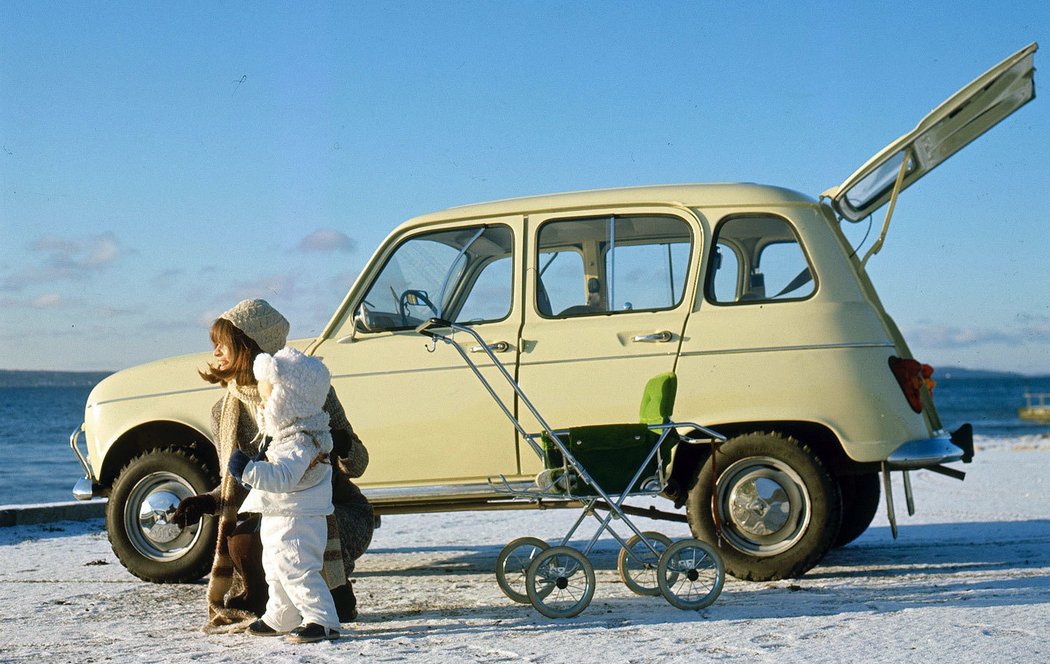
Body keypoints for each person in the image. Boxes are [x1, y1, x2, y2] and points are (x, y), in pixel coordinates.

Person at [172, 299, 373, 632]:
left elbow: (359, 464)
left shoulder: (311, 393)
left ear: (252, 347)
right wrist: (205, 501)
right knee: (249, 542)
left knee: (285, 553)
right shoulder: (225, 413)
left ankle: (332, 600)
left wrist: (338, 443)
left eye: (225, 343)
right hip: (278, 508)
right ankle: (279, 610)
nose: (217, 352)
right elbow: (234, 485)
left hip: (330, 510)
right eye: (215, 344)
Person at [228, 346, 341, 642]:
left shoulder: (302, 441)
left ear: (290, 402)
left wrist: (248, 471)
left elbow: (283, 477)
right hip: (280, 514)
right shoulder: (287, 438)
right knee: (275, 569)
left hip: (298, 518)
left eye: (268, 400)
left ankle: (322, 619)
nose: (262, 407)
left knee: (298, 568)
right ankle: (282, 614)